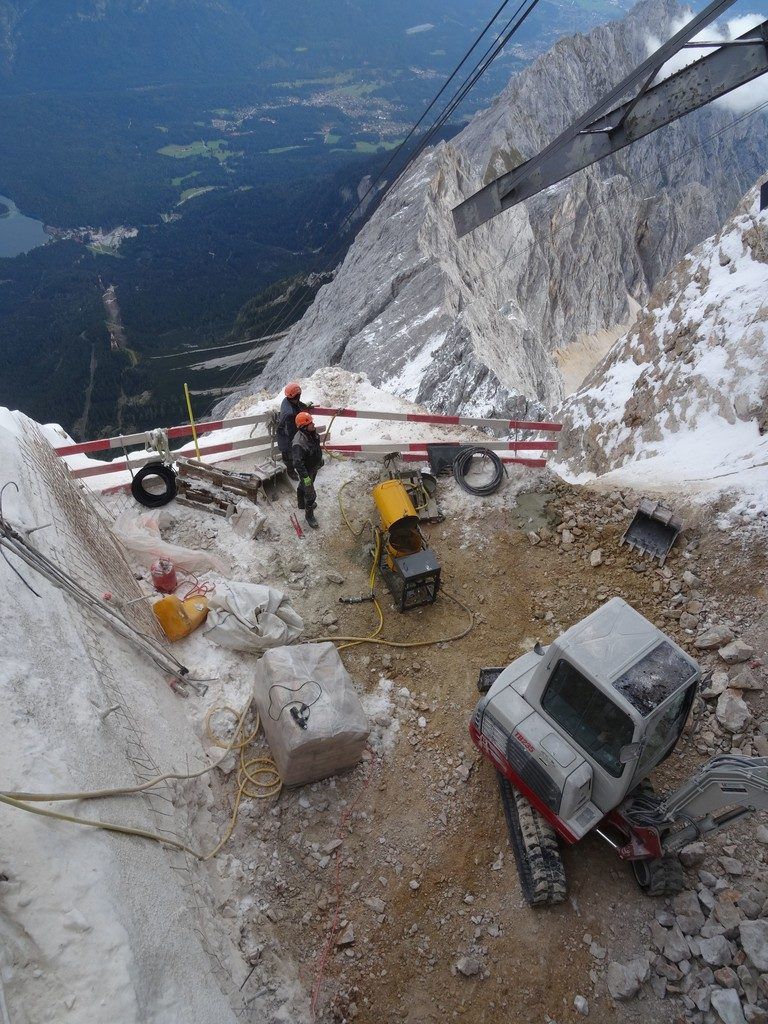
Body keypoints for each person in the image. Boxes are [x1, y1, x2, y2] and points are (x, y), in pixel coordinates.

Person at [291, 411, 323, 529]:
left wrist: (319, 460)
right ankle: (309, 515)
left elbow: (315, 448)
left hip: (312, 466)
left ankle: (301, 504)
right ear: (304, 427)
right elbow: (297, 463)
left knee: (303, 486)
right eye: (310, 423)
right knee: (311, 495)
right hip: (306, 471)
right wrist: (305, 477)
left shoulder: (312, 434)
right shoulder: (299, 443)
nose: (313, 424)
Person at [276, 382, 310, 479]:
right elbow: (291, 432)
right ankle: (291, 472)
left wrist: (305, 406)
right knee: (289, 455)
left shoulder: (287, 400)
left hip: (286, 432)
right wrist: (297, 442)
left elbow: (298, 404)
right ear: (296, 396)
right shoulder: (289, 414)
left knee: (292, 453)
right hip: (286, 436)